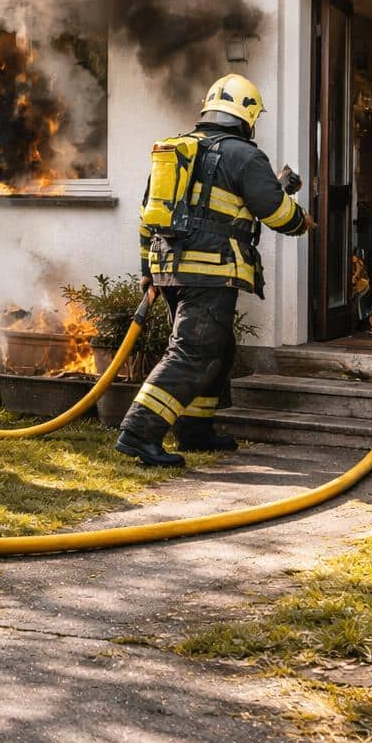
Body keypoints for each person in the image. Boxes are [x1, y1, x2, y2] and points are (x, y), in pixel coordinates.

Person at [116, 73, 312, 467]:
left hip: (169, 268)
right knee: (193, 351)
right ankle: (139, 432)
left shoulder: (174, 151)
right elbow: (276, 213)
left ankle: (195, 430)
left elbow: (146, 216)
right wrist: (301, 220)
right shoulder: (244, 155)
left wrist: (147, 269)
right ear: (248, 115)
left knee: (218, 350)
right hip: (210, 270)